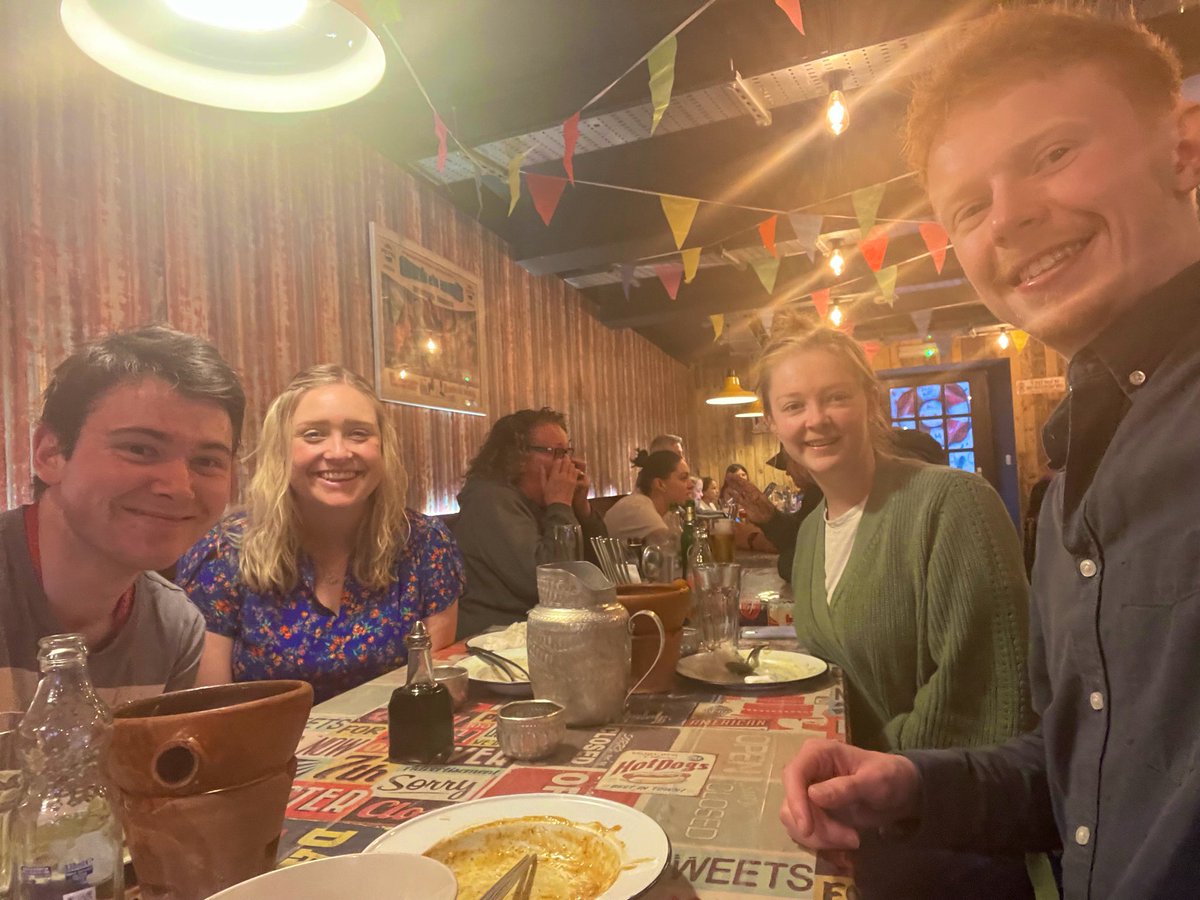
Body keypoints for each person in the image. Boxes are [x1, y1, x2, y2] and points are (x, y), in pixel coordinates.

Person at [779, 8, 1200, 899]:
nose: (1009, 218)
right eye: (968, 205)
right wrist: (910, 785)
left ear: (1184, 146)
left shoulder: (957, 498)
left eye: (1052, 153)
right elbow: (1076, 778)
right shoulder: (1081, 464)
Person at [762, 320, 1036, 897]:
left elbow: (983, 703)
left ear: (870, 403)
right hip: (860, 815)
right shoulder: (812, 532)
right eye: (793, 405)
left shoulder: (953, 503)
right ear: (773, 423)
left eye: (835, 396)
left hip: (949, 838)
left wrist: (874, 783)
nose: (815, 419)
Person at [176, 365, 462, 703]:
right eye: (313, 434)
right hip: (261, 750)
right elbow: (213, 713)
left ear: (383, 447)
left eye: (359, 433)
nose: (339, 452)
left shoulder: (426, 543)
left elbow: (433, 690)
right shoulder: (223, 553)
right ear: (281, 448)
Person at [0, 325, 245, 710]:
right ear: (50, 453)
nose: (179, 487)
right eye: (140, 448)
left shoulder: (173, 626)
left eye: (207, 461)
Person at [452, 407, 605, 638]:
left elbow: (600, 574)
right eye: (555, 452)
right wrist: (560, 506)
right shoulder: (490, 500)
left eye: (566, 452)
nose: (568, 464)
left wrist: (581, 509)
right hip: (493, 642)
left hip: (536, 634)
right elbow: (552, 586)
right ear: (517, 457)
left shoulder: (539, 504)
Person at [603, 450, 691, 542]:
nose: (691, 485)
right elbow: (672, 549)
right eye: (683, 478)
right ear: (660, 484)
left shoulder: (667, 513)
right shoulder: (637, 507)